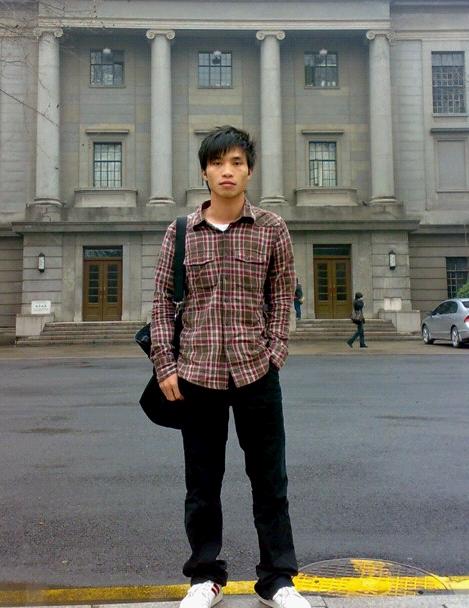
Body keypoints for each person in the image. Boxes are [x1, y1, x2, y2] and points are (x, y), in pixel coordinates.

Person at [151, 126, 310, 608]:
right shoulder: (180, 233)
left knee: (270, 482)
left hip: (256, 373)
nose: (227, 171)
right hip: (196, 375)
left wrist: (275, 352)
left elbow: (282, 294)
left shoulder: (272, 228)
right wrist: (165, 365)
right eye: (218, 162)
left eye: (237, 162)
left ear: (249, 171)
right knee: (202, 484)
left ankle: (276, 580)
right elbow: (161, 302)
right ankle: (205, 576)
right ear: (204, 172)